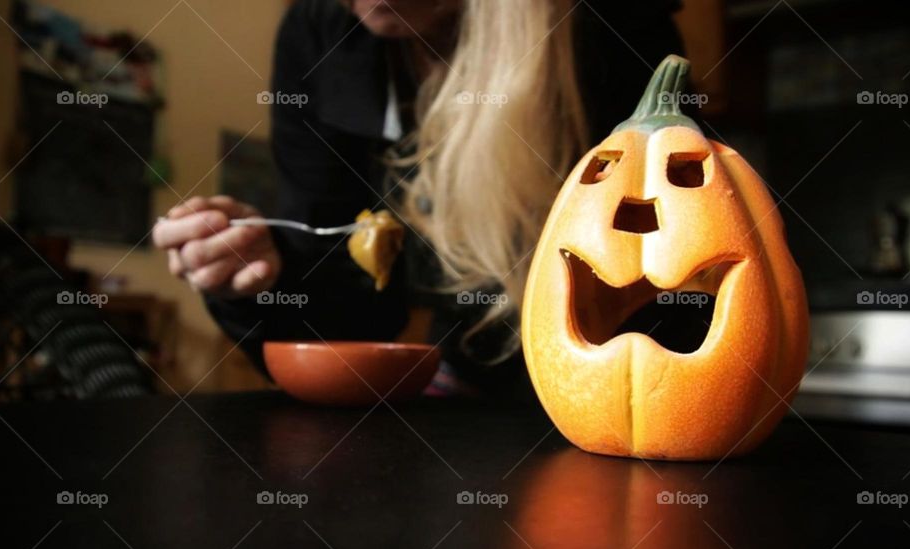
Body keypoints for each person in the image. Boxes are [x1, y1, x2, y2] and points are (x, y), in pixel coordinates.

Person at [153, 0, 686, 398]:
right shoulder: (321, 36)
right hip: (453, 395)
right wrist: (263, 276)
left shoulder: (615, 30)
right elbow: (349, 323)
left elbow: (674, 275)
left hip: (616, 388)